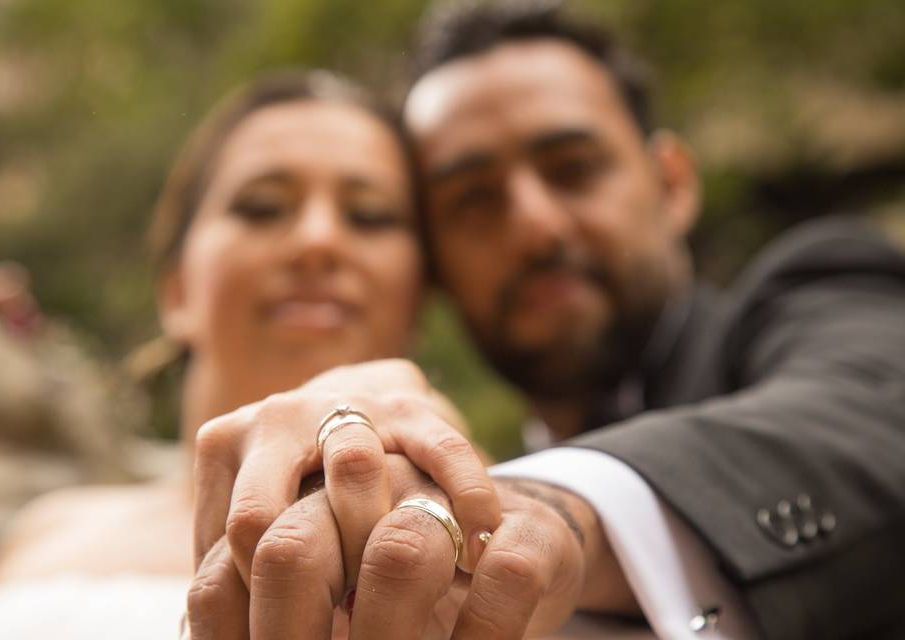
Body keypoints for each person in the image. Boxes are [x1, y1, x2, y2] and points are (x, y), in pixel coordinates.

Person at [184, 2, 905, 639]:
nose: (534, 226)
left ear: (672, 185)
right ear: (436, 270)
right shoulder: (441, 509)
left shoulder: (821, 294)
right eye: (472, 200)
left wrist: (566, 512)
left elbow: (874, 418)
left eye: (573, 169)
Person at [0, 69, 476, 638]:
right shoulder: (44, 527)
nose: (319, 239)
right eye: (263, 207)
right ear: (176, 290)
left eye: (369, 216)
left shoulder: (480, 536)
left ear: (419, 301)